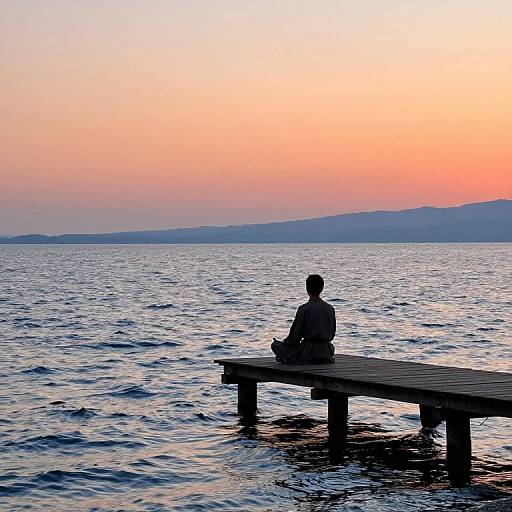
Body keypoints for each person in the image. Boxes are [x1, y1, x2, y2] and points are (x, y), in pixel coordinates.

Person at [271, 274, 336, 364]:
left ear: (307, 289)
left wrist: (284, 343)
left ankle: (291, 358)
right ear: (322, 288)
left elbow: (295, 338)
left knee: (275, 345)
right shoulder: (330, 308)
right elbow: (332, 334)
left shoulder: (304, 309)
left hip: (309, 352)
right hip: (327, 351)